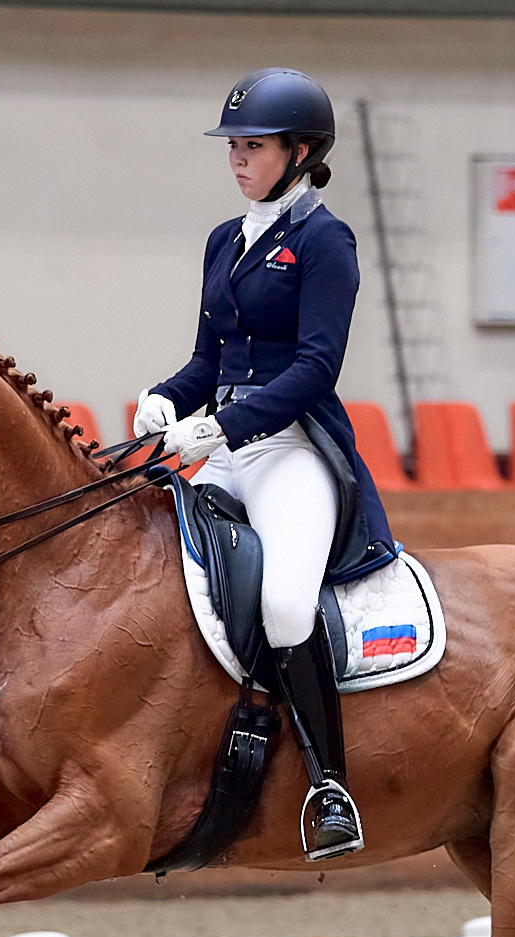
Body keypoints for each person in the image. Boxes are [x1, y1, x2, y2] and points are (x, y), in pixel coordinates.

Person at [135, 67, 398, 862]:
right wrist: (163, 398)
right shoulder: (226, 240)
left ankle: (329, 785)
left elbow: (316, 367)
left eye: (253, 146)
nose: (238, 159)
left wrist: (223, 429)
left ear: (301, 151)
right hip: (221, 446)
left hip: (290, 450)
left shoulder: (325, 242)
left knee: (286, 603)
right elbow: (207, 360)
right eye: (234, 147)